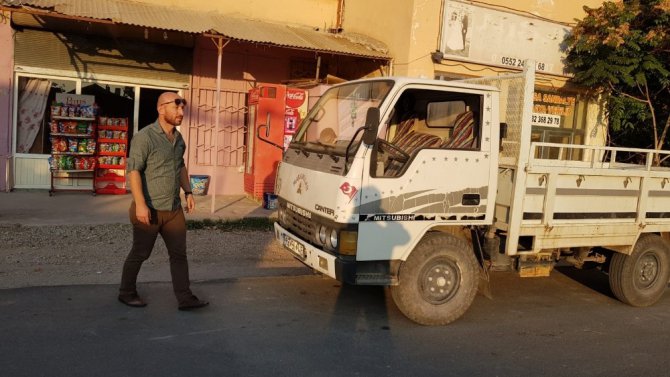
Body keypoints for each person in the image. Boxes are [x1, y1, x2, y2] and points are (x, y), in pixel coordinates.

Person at [118, 92, 209, 311]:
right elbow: (134, 172)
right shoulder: (144, 137)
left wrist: (188, 191)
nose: (181, 112)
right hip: (148, 209)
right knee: (141, 253)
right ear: (161, 109)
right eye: (176, 107)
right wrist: (139, 203)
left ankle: (185, 298)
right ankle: (126, 292)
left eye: (182, 108)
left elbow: (181, 166)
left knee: (179, 254)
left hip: (173, 210)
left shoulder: (179, 139)